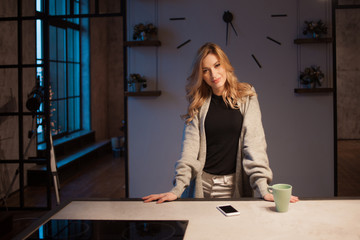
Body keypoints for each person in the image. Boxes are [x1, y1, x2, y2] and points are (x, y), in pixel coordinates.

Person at [143, 42, 299, 204]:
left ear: (225, 65)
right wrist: (176, 189)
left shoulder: (247, 96)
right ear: (201, 75)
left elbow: (254, 145)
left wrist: (263, 187)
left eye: (217, 65)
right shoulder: (198, 104)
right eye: (205, 70)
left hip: (233, 187)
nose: (213, 74)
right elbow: (189, 151)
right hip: (200, 187)